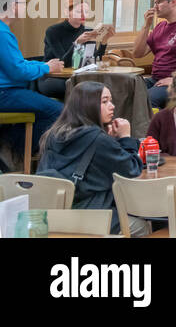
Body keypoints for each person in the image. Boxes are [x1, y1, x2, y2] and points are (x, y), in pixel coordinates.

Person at [36, 80, 142, 234]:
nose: (112, 106)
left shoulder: (53, 134)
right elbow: (132, 170)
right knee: (141, 226)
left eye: (111, 101)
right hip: (90, 217)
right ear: (87, 105)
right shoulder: (98, 139)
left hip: (52, 216)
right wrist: (125, 138)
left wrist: (111, 142)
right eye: (105, 101)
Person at [0, 0, 64, 153]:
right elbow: (18, 71)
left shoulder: (3, 31)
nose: (25, 8)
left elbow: (19, 63)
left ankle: (13, 145)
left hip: (8, 92)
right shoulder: (3, 33)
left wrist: (44, 65)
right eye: (23, 3)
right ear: (13, 6)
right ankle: (16, 149)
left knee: (44, 108)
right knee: (60, 111)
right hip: (5, 94)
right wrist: (46, 68)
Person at [39, 0, 109, 99]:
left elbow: (93, 61)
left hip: (78, 77)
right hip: (53, 77)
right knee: (79, 87)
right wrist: (77, 43)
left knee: (105, 83)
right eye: (79, 11)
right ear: (67, 12)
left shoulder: (88, 31)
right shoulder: (53, 31)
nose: (83, 15)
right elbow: (63, 63)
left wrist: (104, 42)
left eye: (86, 11)